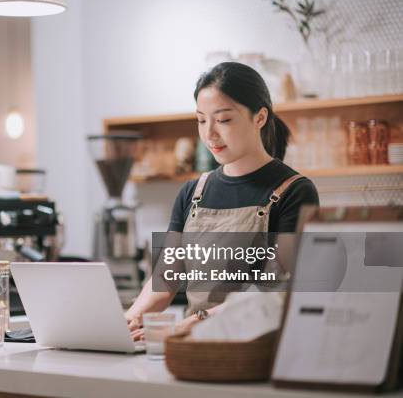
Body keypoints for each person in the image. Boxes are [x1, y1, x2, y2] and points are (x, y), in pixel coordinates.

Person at [126, 62, 319, 340]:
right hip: (195, 350)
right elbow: (164, 280)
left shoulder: (295, 192)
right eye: (201, 120)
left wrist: (192, 322)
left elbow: (273, 291)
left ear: (259, 117)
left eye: (224, 120)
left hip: (256, 348)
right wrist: (128, 319)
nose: (209, 134)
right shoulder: (192, 193)